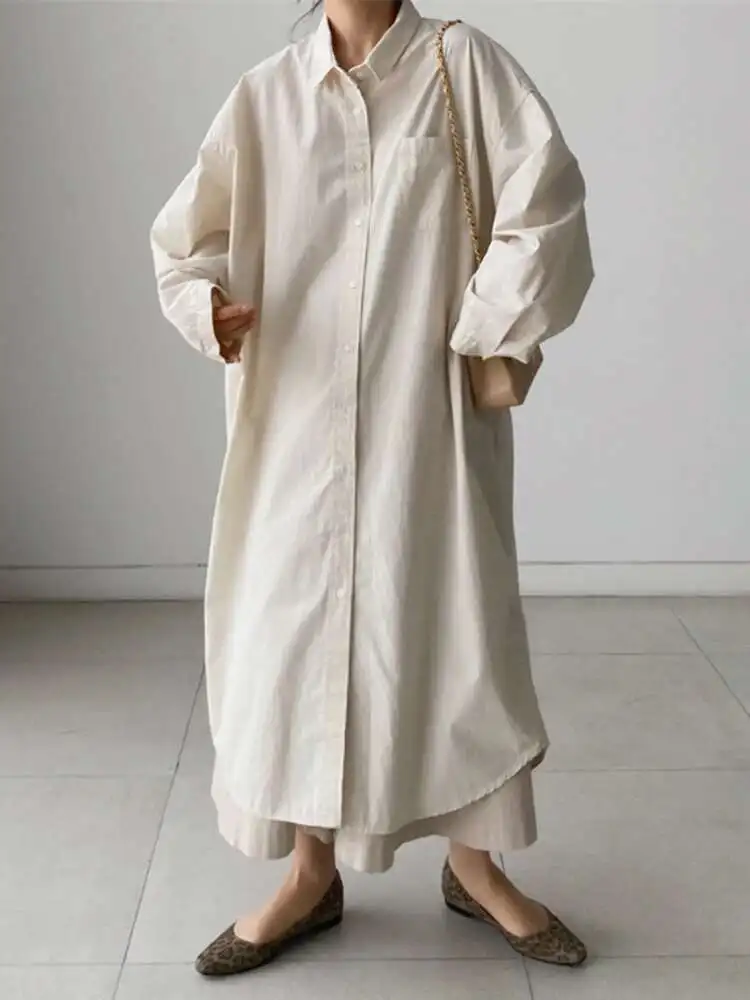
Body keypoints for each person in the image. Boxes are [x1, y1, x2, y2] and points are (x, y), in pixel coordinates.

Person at [150, 0, 594, 978]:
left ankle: (475, 866)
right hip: (293, 428)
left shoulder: (463, 68)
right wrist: (204, 307)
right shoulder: (266, 97)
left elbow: (548, 209)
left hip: (423, 419)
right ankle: (311, 874)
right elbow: (183, 242)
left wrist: (480, 327)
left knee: (450, 629)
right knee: (296, 639)